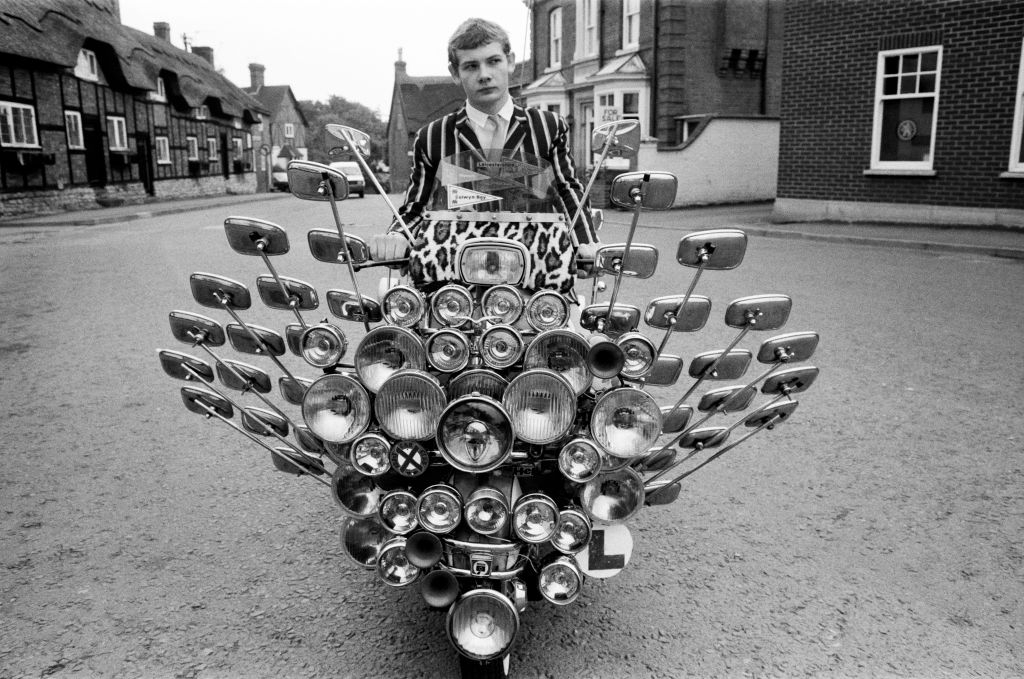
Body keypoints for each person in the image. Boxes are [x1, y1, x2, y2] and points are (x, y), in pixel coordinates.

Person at [370, 17, 599, 294]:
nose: (484, 74)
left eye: (493, 61)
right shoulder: (432, 136)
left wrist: (586, 241)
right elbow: (415, 207)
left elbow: (567, 190)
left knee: (575, 334)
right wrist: (396, 235)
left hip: (536, 278)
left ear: (510, 61)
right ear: (455, 73)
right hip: (453, 282)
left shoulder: (548, 127)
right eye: (471, 66)